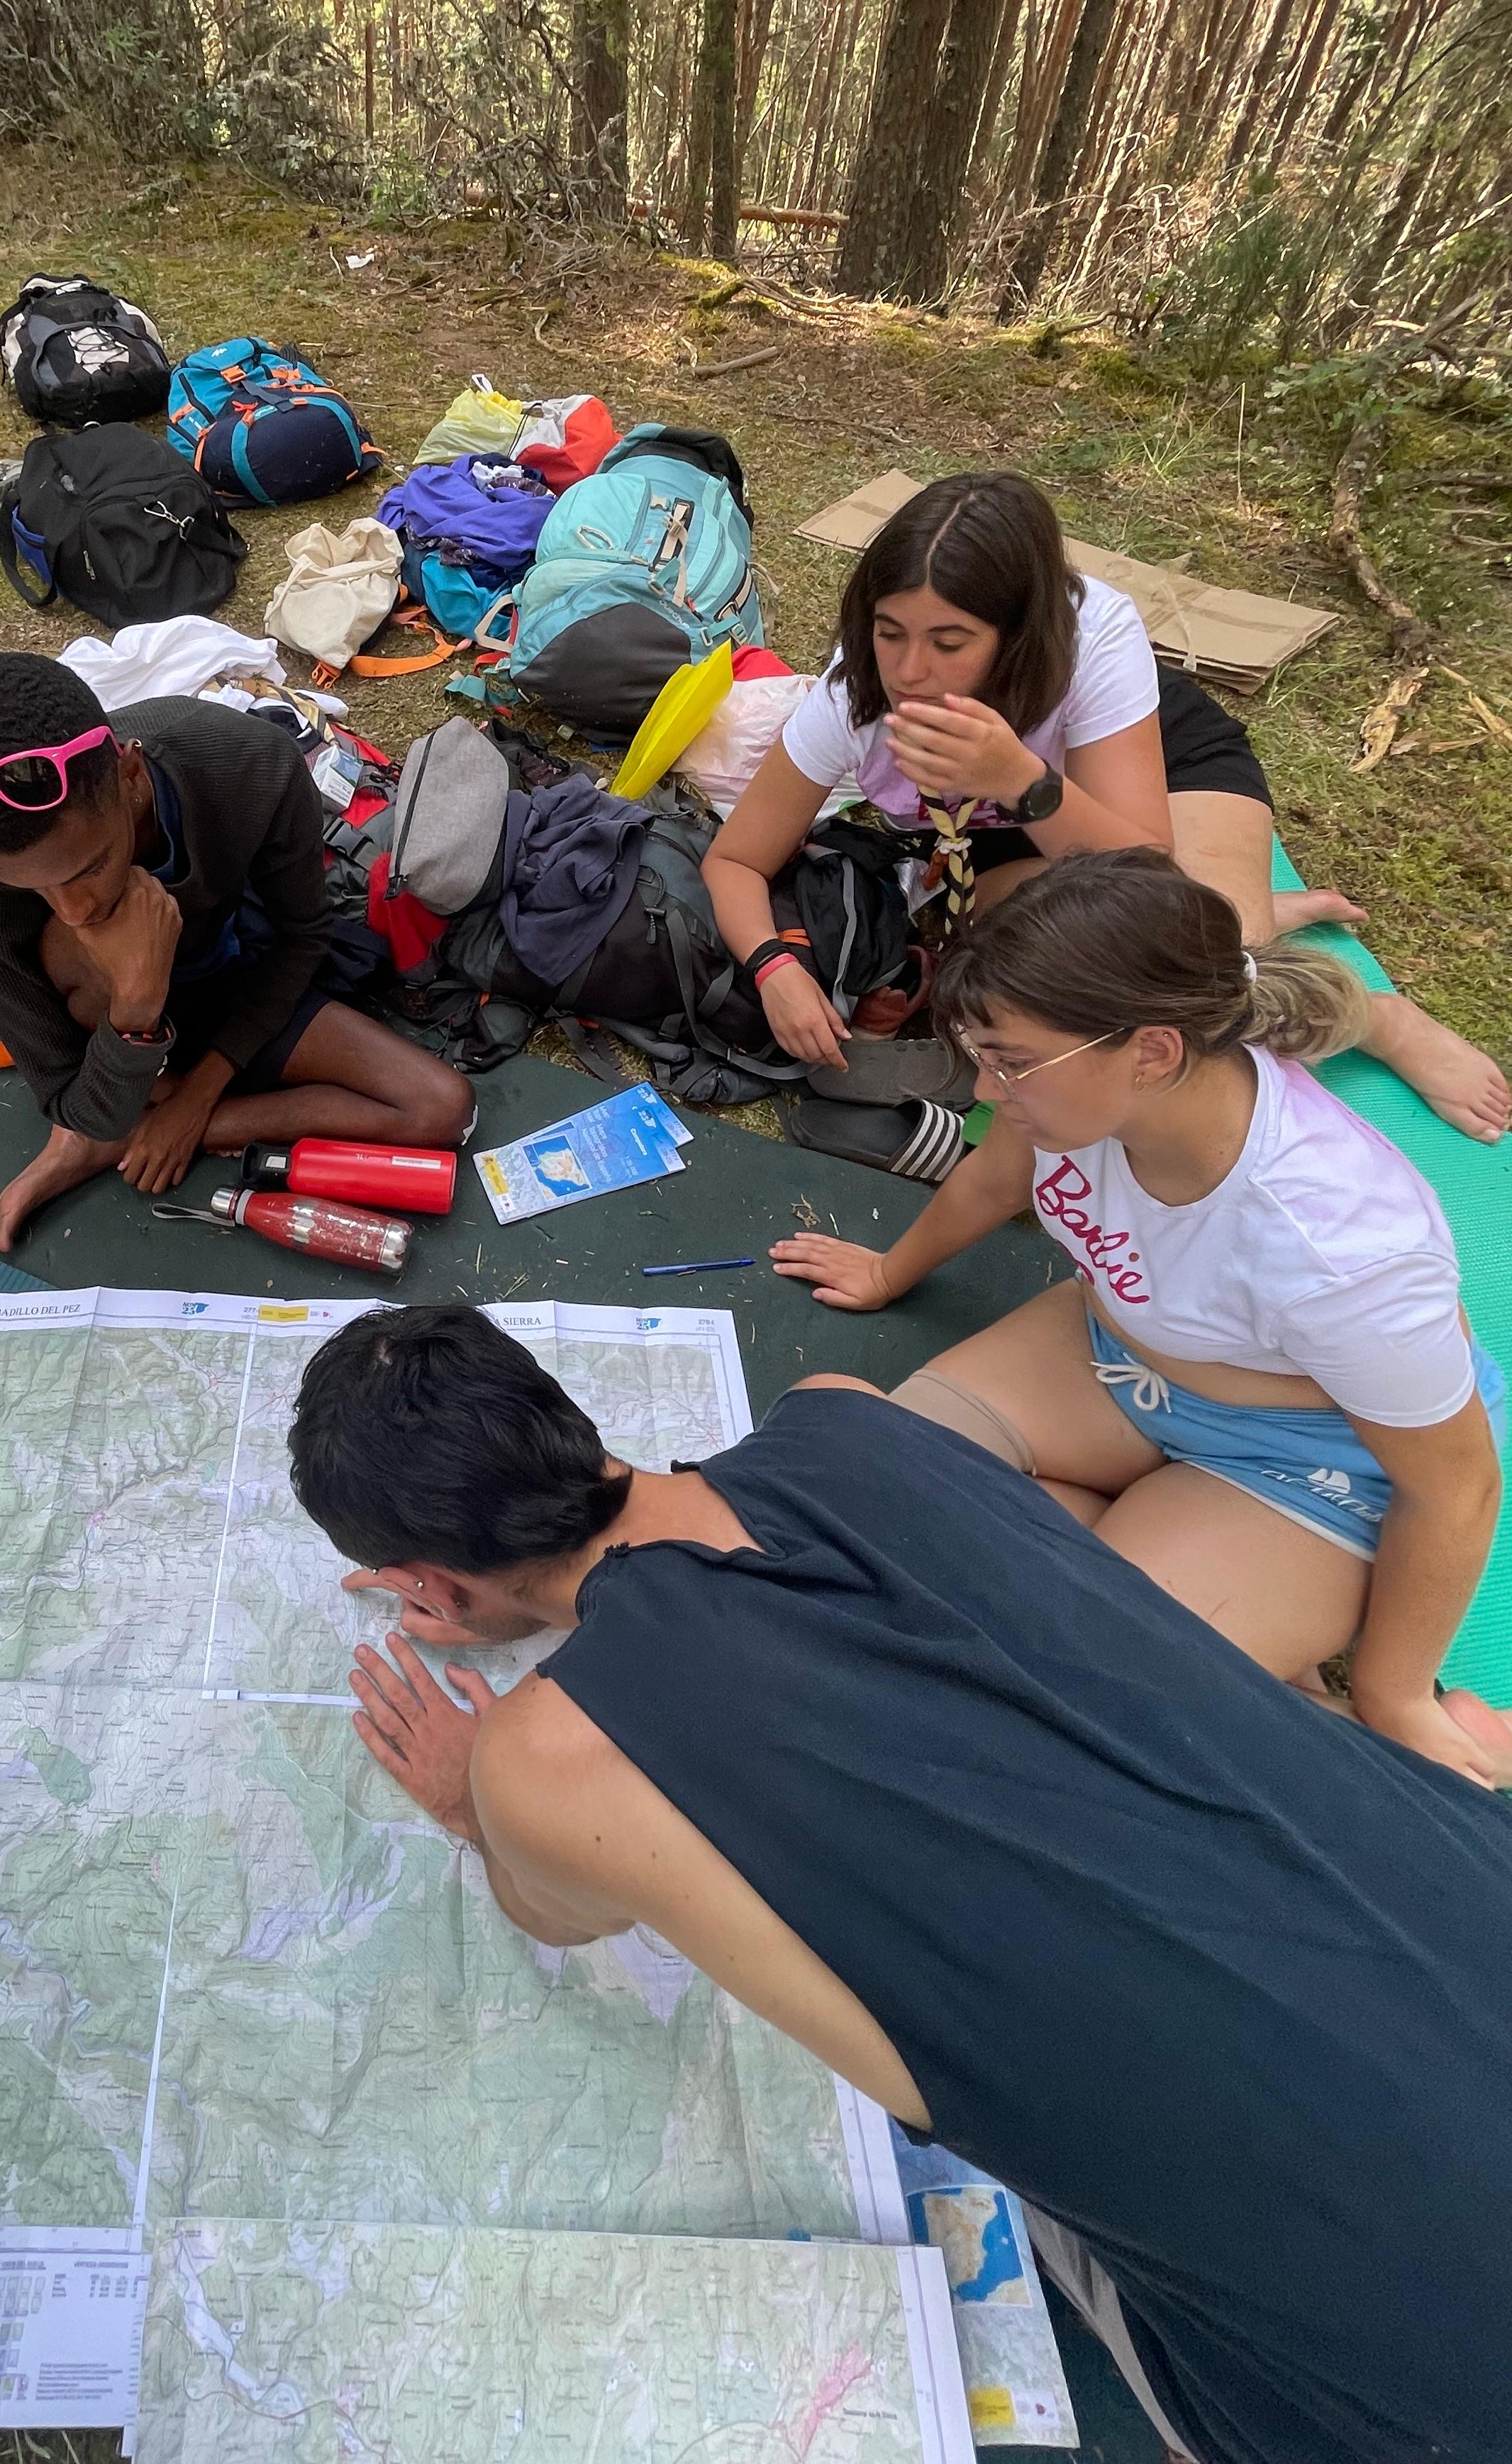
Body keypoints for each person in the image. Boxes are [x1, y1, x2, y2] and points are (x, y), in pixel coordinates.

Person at [287, 1300, 1512, 2464]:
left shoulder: (542, 1764)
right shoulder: (844, 1412)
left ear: (428, 1586)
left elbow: (547, 1909)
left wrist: (469, 1799)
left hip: (1417, 2378)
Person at [774, 849, 1512, 1788]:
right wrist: (890, 1270)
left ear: (1154, 1052)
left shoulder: (1342, 1249)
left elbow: (1456, 1490)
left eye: (1011, 1064)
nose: (987, 1093)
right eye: (982, 1057)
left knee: (1080, 1693)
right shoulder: (1070, 1095)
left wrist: (1394, 1694)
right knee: (862, 1488)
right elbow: (997, 1178)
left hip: (1304, 1460)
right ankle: (1177, 1590)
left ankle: (1326, 1705)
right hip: (1115, 1356)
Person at [701, 469, 1508, 1141]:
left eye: (950, 643)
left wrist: (1019, 776)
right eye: (889, 632)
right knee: (1056, 988)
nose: (910, 671)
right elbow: (737, 857)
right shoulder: (854, 698)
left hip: (1152, 779)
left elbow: (1146, 876)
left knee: (1203, 990)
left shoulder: (1094, 637)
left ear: (1016, 637)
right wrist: (774, 967)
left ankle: (1377, 1018)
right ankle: (1252, 910)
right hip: (1005, 834)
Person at [0, 654, 472, 1249]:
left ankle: (129, 1131)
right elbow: (67, 1093)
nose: (74, 910)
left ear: (130, 777)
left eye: (91, 866)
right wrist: (136, 1005)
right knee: (78, 978)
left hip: (230, 971)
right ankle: (121, 1113)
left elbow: (304, 936)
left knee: (442, 1107)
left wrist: (195, 1104)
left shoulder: (248, 761)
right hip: (100, 1009)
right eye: (31, 889)